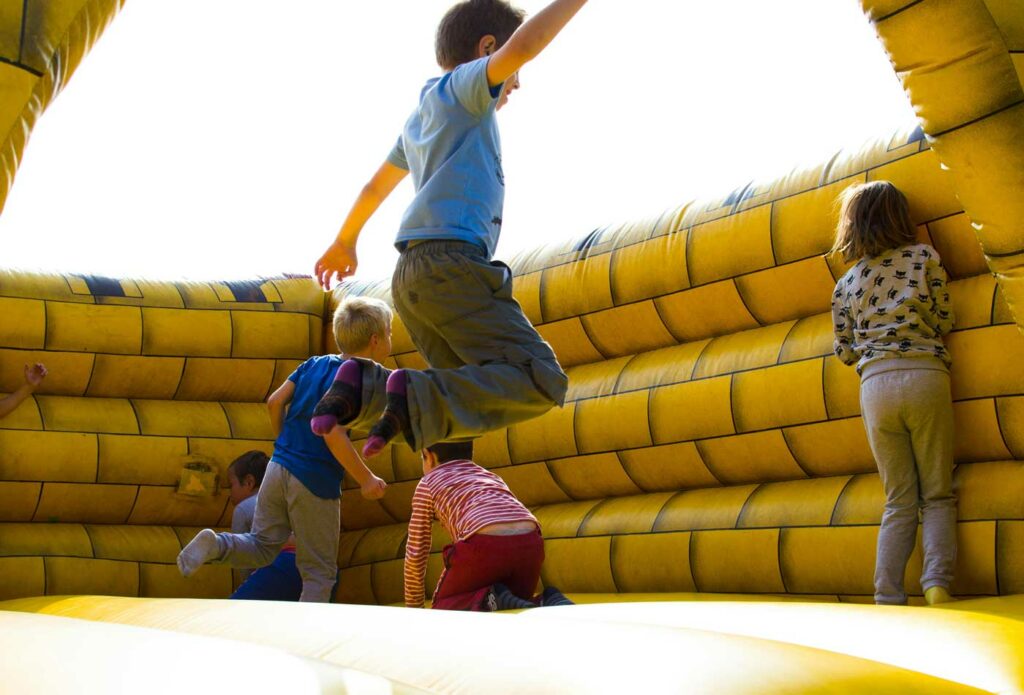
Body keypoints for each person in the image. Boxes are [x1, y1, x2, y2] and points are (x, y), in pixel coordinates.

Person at [310, 0, 589, 459]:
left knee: (456, 407)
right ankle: (400, 397)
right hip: (452, 266)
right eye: (514, 73)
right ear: (487, 48)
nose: (516, 83)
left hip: (411, 279)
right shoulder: (464, 89)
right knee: (539, 378)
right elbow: (527, 44)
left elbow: (374, 186)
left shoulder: (423, 116)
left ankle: (368, 393)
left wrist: (345, 240)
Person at [176, 297, 392, 602]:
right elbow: (332, 432)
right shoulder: (358, 379)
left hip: (278, 467)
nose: (391, 340)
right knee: (319, 572)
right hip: (315, 478)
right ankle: (307, 637)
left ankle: (217, 545)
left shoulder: (313, 364)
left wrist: (284, 444)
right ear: (375, 340)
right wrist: (366, 478)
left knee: (262, 546)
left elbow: (274, 402)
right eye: (390, 333)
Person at [830, 180, 957, 606]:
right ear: (902, 219)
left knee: (898, 498)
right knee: (937, 491)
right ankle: (937, 582)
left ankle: (887, 595)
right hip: (925, 374)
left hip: (876, 386)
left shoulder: (846, 284)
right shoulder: (924, 258)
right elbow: (944, 318)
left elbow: (844, 350)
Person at [404, 440, 573, 611]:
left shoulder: (428, 483)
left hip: (483, 545)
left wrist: (414, 609)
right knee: (515, 601)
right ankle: (547, 599)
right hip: (530, 544)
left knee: (444, 609)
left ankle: (491, 599)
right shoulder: (489, 477)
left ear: (429, 456)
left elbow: (416, 552)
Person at [225, 450, 303, 601]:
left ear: (249, 482)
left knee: (235, 610)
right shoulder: (287, 499)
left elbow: (242, 559)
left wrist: (250, 585)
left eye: (231, 485)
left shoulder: (243, 508)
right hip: (313, 567)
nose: (229, 494)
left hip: (282, 564)